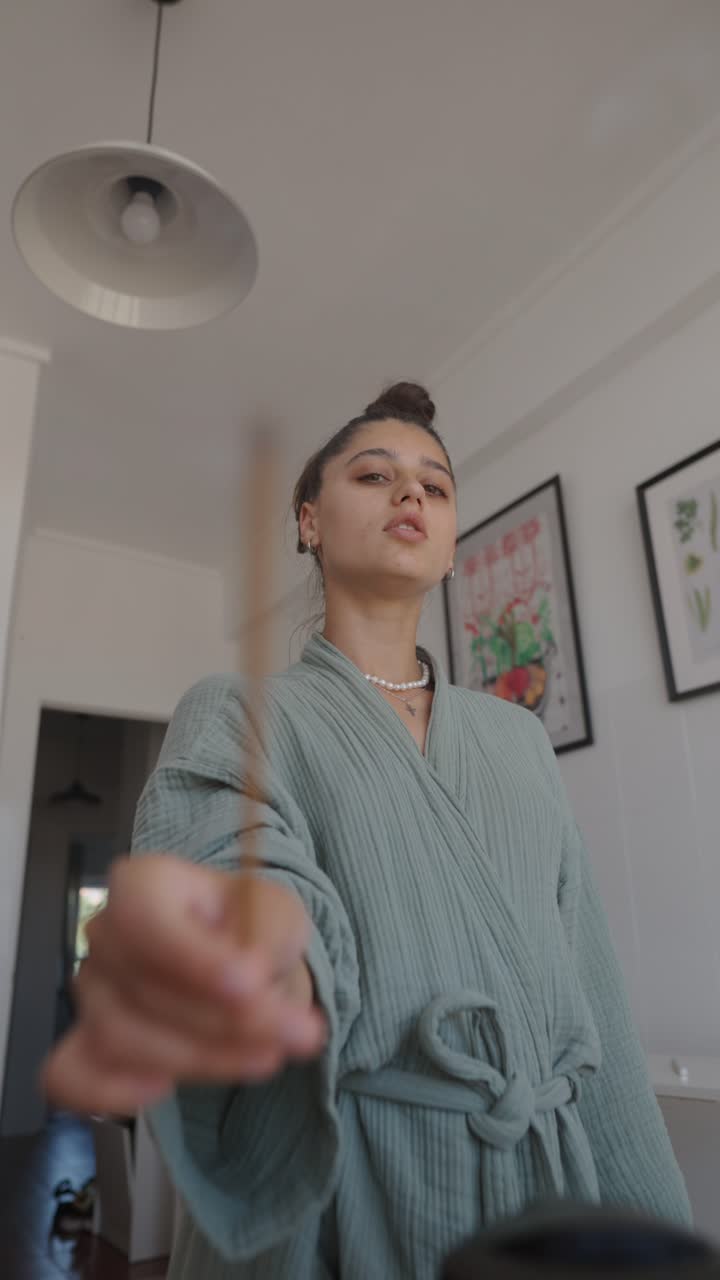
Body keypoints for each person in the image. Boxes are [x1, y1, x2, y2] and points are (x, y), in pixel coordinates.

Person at [43, 382, 691, 1279]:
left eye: (435, 484)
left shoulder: (517, 738)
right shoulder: (237, 712)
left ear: (453, 538)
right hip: (348, 1191)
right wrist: (268, 956)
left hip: (546, 1196)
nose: (411, 495)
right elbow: (234, 865)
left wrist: (655, 1219)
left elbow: (595, 1004)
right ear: (309, 522)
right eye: (375, 474)